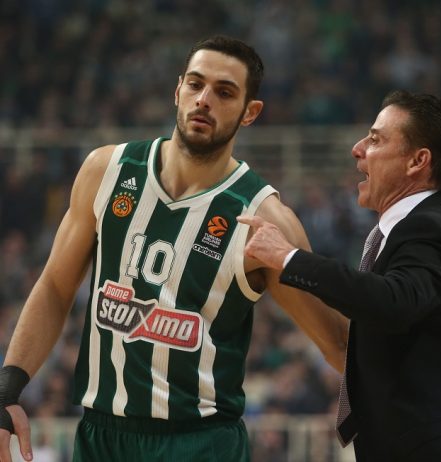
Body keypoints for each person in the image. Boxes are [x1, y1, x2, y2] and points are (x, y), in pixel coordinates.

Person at [0, 36, 348, 462]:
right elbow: (55, 286)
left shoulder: (265, 218)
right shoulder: (106, 171)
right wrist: (7, 389)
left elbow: (337, 342)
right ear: (178, 89)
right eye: (196, 85)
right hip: (101, 436)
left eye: (224, 92)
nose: (204, 100)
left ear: (250, 112)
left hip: (200, 442)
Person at [238, 90, 441, 461]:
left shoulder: (432, 227)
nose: (357, 149)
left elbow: (393, 301)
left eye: (376, 140)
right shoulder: (416, 230)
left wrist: (289, 258)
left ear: (418, 161)